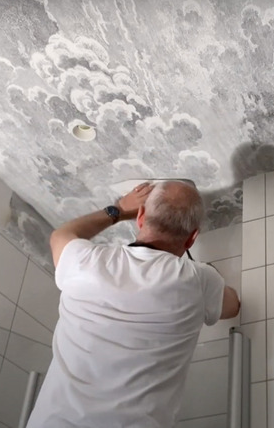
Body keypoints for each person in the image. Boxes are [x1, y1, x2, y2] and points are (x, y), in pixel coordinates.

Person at [27, 180, 241, 428]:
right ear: (192, 238)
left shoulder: (84, 262)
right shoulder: (200, 280)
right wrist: (212, 283)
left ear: (140, 217)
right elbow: (233, 306)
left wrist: (117, 210)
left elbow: (60, 235)